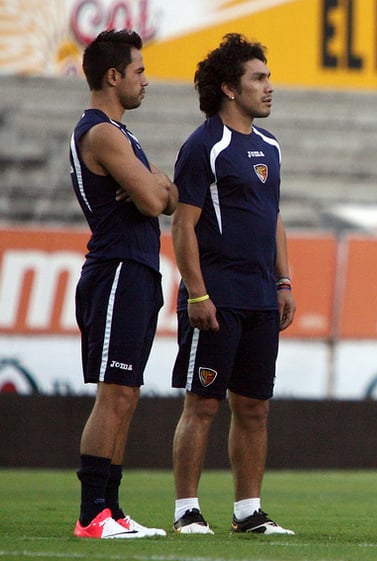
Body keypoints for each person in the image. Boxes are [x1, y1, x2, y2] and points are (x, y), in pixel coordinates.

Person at [169, 33, 296, 536]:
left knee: (255, 408)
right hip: (217, 296)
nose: (269, 87)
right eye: (258, 78)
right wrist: (197, 293)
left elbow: (274, 218)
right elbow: (182, 225)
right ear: (228, 87)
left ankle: (248, 512)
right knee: (201, 404)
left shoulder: (270, 146)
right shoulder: (204, 146)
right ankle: (186, 510)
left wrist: (284, 280)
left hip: (262, 297)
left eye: (268, 77)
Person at [70, 29, 178, 539]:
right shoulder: (102, 133)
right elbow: (158, 200)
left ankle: (110, 509)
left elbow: (167, 193)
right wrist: (150, 187)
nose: (145, 81)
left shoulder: (122, 134)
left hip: (136, 269)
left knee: (127, 393)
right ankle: (92, 511)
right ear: (112, 76)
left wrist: (151, 187)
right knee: (113, 392)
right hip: (116, 268)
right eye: (138, 71)